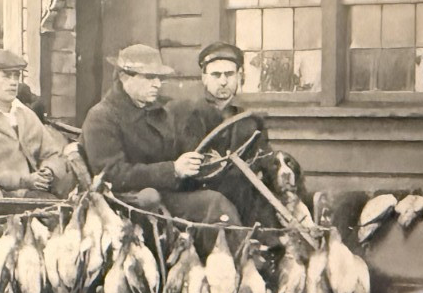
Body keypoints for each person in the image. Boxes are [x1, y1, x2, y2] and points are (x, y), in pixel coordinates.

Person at [79, 44, 240, 232]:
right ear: (124, 78)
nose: (157, 84)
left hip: (164, 193)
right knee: (214, 205)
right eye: (149, 77)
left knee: (231, 189)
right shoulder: (102, 117)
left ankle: (254, 250)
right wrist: (173, 170)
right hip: (131, 205)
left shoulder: (157, 111)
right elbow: (112, 174)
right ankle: (234, 258)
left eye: (159, 78)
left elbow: (174, 149)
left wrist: (200, 160)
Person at [170, 42, 277, 224]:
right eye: (216, 75)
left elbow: (264, 160)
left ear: (239, 76)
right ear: (204, 78)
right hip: (199, 195)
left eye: (229, 74)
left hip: (244, 196)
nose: (223, 81)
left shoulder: (250, 121)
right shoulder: (185, 114)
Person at [0, 48, 77, 197]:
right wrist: (23, 181)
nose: (13, 82)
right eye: (6, 76)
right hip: (1, 197)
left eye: (16, 76)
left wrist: (48, 171)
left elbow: (52, 153)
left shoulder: (25, 114)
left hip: (38, 192)